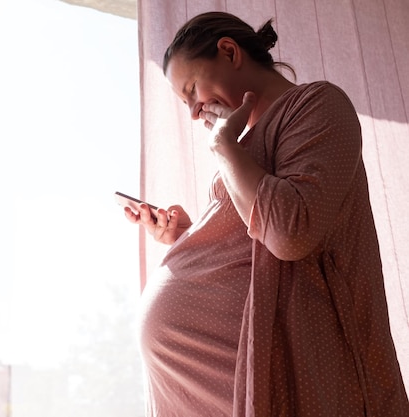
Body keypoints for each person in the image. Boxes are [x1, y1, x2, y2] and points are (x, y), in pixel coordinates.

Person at [123, 11, 409, 417]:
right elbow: (250, 241)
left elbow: (290, 232)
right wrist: (189, 236)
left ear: (228, 51)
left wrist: (224, 147)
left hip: (298, 367)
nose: (192, 111)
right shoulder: (244, 144)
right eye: (183, 101)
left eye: (191, 89)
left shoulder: (318, 105)